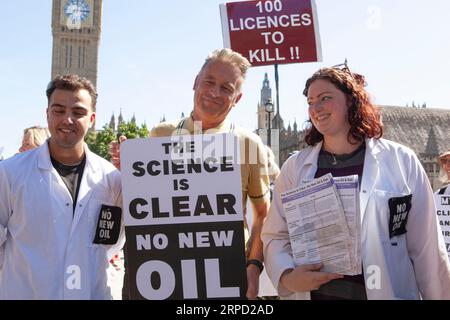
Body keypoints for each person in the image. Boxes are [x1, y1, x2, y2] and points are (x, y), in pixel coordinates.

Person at [261, 65, 450, 300]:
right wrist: (288, 276)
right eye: (310, 102)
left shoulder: (401, 161)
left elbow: (427, 250)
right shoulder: (295, 168)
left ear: (351, 101)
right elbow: (275, 236)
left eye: (325, 98)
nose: (316, 108)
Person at [110, 48, 272, 300]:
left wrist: (253, 267)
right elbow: (147, 207)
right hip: (165, 275)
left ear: (237, 98)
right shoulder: (160, 134)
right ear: (196, 82)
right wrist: (128, 171)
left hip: (226, 278)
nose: (214, 92)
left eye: (226, 88)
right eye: (209, 82)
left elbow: (263, 214)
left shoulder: (248, 144)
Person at [0, 74, 124, 299]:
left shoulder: (112, 178)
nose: (67, 119)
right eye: (58, 110)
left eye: (78, 112)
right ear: (47, 113)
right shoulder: (9, 173)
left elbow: (113, 243)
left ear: (92, 118)